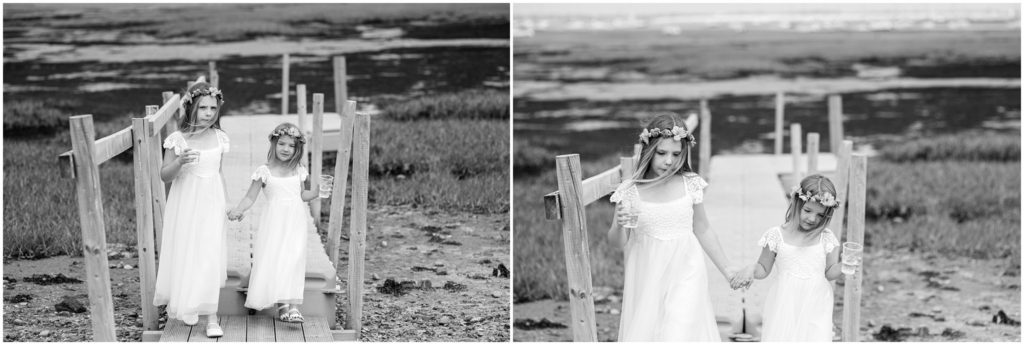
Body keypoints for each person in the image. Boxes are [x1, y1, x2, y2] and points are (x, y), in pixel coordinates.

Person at [608, 112, 740, 341]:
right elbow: (620, 242)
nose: (669, 161)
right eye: (662, 153)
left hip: (686, 269)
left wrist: (727, 270)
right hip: (648, 274)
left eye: (676, 154)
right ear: (649, 150)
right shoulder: (632, 192)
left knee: (680, 326)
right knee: (652, 332)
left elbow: (703, 229)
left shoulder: (690, 185)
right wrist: (619, 226)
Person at [733, 174, 855, 341]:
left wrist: (844, 266)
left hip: (816, 302)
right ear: (796, 203)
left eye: (820, 215)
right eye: (807, 210)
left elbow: (829, 272)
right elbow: (763, 269)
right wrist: (751, 269)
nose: (813, 219)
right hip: (785, 301)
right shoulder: (776, 236)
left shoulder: (826, 238)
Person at [154, 82, 229, 337]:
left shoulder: (220, 138)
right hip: (186, 202)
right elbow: (165, 176)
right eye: (203, 108)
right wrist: (179, 162)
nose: (209, 113)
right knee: (188, 250)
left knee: (209, 254)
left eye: (213, 108)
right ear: (191, 108)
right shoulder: (178, 139)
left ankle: (211, 318)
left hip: (212, 201)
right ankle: (188, 303)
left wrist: (226, 204)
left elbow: (219, 172)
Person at [228, 123, 320, 323]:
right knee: (276, 258)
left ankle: (294, 305)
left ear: (298, 149)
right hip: (274, 222)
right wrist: (239, 209)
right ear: (273, 143)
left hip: (295, 221)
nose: (286, 149)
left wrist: (316, 193)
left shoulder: (298, 170)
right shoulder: (265, 171)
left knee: (294, 259)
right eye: (282, 144)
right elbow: (250, 197)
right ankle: (282, 305)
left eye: (291, 146)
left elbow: (302, 194)